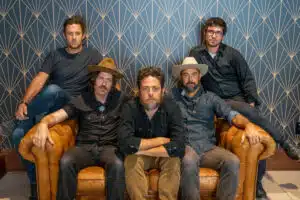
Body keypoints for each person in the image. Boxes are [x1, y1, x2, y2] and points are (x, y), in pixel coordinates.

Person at [189, 17, 300, 199]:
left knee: (258, 133)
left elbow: (247, 78)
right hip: (217, 101)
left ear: (223, 36)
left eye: (218, 33)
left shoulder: (232, 54)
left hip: (238, 99)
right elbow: (192, 77)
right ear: (205, 33)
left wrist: (252, 101)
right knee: (248, 114)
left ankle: (257, 184)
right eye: (210, 31)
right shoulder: (196, 54)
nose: (213, 36)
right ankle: (285, 143)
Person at [12, 15, 101, 200]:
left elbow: (106, 77)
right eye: (70, 34)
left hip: (73, 106)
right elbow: (39, 79)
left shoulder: (93, 55)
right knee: (17, 135)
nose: (74, 37)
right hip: (51, 108)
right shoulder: (55, 55)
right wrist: (24, 102)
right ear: (64, 35)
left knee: (53, 89)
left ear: (84, 35)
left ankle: (21, 118)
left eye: (77, 33)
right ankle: (35, 183)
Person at [32, 58, 127, 200]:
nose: (104, 83)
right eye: (101, 78)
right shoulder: (81, 99)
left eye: (108, 80)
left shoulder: (122, 99)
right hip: (84, 148)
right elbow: (59, 115)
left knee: (118, 165)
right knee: (66, 161)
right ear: (94, 79)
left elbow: (138, 112)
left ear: (113, 84)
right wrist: (43, 123)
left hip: (110, 148)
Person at [172, 57, 264, 200]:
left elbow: (231, 115)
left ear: (199, 76)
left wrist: (248, 125)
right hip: (185, 147)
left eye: (194, 74)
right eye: (186, 74)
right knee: (189, 161)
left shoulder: (211, 98)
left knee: (232, 161)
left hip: (208, 148)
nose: (190, 79)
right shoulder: (172, 97)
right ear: (181, 77)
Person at [118, 67, 185, 200]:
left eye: (155, 88)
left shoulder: (172, 107)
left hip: (160, 155)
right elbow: (124, 143)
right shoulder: (129, 107)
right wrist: (161, 140)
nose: (150, 93)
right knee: (131, 159)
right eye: (145, 88)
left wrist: (140, 150)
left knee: (174, 160)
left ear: (162, 90)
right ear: (138, 91)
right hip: (149, 154)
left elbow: (179, 146)